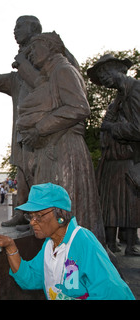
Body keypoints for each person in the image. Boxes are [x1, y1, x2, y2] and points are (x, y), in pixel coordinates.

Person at [0, 16, 79, 229]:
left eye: (19, 26)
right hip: (22, 132)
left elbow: (71, 71)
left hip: (45, 131)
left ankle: (38, 219)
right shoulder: (16, 79)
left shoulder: (51, 59)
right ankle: (22, 213)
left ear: (35, 28)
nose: (15, 30)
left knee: (38, 175)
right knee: (22, 173)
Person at [14, 31, 105, 243]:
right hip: (54, 149)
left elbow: (79, 107)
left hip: (65, 150)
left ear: (51, 47)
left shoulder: (63, 70)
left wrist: (40, 128)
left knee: (65, 209)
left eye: (36, 48)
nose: (32, 54)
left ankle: (74, 257)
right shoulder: (51, 75)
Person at [0, 183, 135, 300]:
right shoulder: (49, 245)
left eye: (39, 215)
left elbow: (114, 293)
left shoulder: (83, 241)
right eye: (30, 216)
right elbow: (30, 278)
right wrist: (10, 245)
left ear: (60, 215)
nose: (32, 222)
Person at [87, 54, 140, 256]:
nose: (104, 80)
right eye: (100, 76)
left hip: (128, 159)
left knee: (129, 203)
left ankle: (130, 243)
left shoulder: (135, 90)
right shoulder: (119, 98)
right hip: (113, 159)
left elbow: (137, 129)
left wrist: (111, 127)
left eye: (104, 73)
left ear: (117, 68)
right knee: (111, 204)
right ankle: (111, 243)